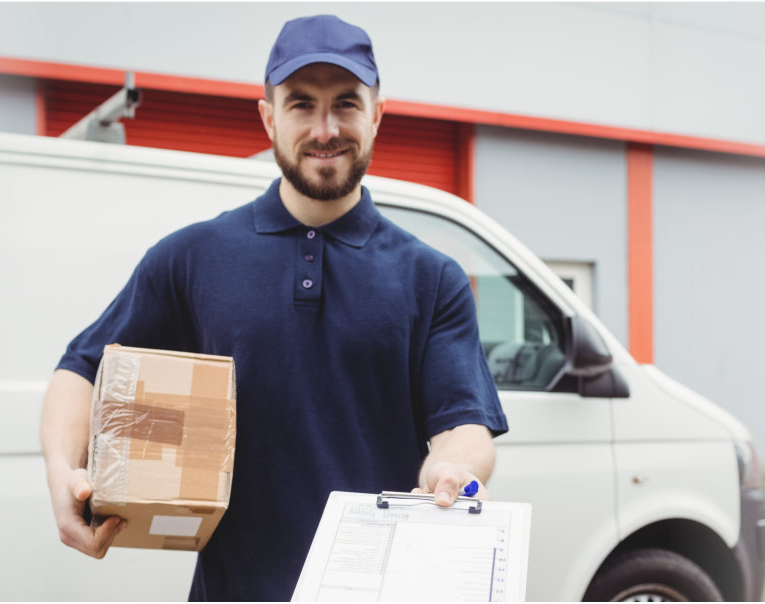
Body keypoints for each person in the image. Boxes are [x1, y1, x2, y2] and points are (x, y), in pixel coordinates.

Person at [36, 14, 508, 601]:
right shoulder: (193, 257)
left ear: (378, 113)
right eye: (302, 104)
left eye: (346, 103)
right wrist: (63, 470)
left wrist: (452, 471)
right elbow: (81, 369)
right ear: (268, 117)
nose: (326, 127)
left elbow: (463, 425)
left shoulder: (430, 277)